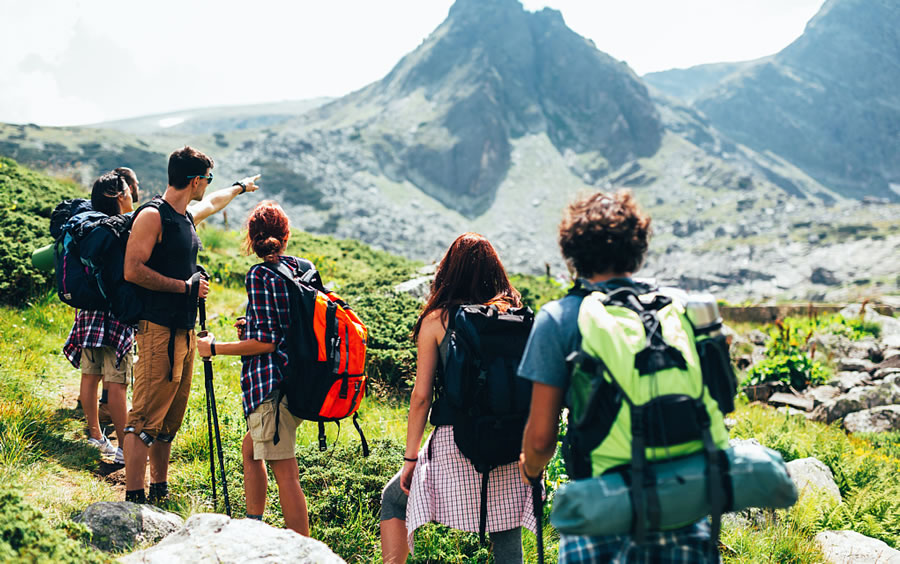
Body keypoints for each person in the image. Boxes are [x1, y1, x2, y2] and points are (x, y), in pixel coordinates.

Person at [517, 190, 719, 563]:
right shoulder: (675, 309)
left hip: (601, 512)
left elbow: (542, 439)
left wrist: (530, 469)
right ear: (637, 246)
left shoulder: (559, 318)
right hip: (685, 505)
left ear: (571, 251)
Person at [380, 233, 537, 564]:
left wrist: (411, 460)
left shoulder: (437, 319)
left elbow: (422, 397)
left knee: (393, 500)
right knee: (506, 530)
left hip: (457, 441)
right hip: (512, 442)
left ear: (448, 270)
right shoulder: (515, 314)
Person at [122, 146, 259, 504]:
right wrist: (186, 286)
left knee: (168, 420)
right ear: (194, 180)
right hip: (157, 331)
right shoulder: (153, 216)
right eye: (207, 179)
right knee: (144, 417)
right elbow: (132, 269)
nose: (207, 186)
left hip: (182, 332)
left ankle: (159, 489)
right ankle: (133, 498)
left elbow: (212, 203)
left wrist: (239, 188)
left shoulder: (184, 216)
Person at [197, 200, 310, 535]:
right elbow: (289, 326)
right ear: (285, 236)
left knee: (285, 472)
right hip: (301, 379)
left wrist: (214, 347)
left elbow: (267, 344)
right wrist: (254, 325)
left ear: (251, 237)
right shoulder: (301, 267)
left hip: (273, 385)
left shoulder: (260, 275)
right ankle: (253, 525)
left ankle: (304, 551)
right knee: (251, 449)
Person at [63, 172, 137, 464]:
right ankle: (124, 448)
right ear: (120, 197)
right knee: (117, 382)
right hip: (114, 314)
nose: (131, 195)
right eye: (129, 192)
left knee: (90, 374)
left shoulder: (88, 226)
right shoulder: (120, 229)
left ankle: (95, 435)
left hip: (88, 313)